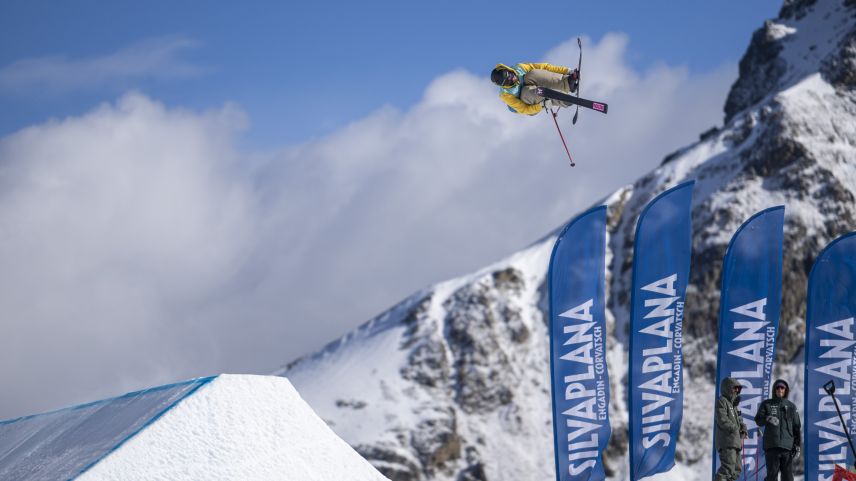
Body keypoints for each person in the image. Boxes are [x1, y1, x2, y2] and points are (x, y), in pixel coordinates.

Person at [755, 379, 801, 481]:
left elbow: (796, 427)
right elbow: (758, 420)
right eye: (777, 387)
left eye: (782, 387)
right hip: (772, 447)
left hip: (787, 448)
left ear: (786, 390)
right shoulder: (767, 404)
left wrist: (797, 445)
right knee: (772, 477)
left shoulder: (791, 407)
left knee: (788, 478)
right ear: (774, 390)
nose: (780, 389)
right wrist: (767, 418)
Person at [490, 63, 579, 115]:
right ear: (504, 85)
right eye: (508, 81)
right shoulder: (506, 95)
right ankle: (562, 100)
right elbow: (524, 109)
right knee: (525, 92)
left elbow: (544, 67)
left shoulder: (519, 68)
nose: (512, 78)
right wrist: (541, 105)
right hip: (530, 105)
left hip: (532, 84)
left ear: (508, 69)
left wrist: (567, 71)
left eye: (509, 74)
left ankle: (567, 83)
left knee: (532, 74)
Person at [715, 377, 749, 481]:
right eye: (734, 388)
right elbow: (722, 419)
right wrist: (735, 429)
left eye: (738, 389)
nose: (736, 391)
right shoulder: (722, 401)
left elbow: (740, 421)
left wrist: (743, 429)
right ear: (727, 388)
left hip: (736, 442)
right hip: (727, 441)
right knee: (727, 468)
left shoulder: (733, 406)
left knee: (736, 470)